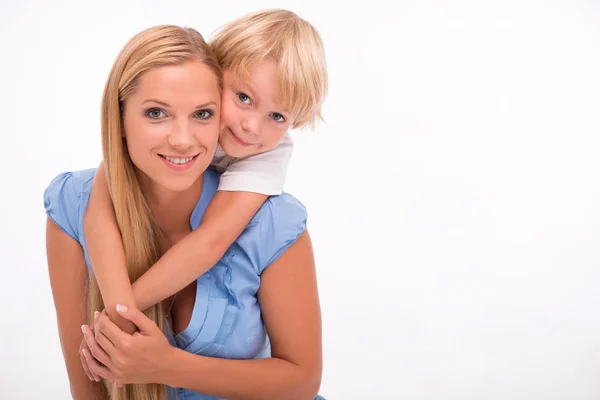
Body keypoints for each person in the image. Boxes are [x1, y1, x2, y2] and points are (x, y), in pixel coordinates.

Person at [44, 23, 323, 400]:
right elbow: (98, 214)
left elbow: (210, 240)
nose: (250, 125)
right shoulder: (74, 200)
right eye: (156, 113)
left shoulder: (266, 181)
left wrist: (144, 343)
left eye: (202, 115)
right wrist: (119, 314)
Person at [82, 8, 328, 342]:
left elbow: (211, 239)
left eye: (278, 116)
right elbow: (101, 207)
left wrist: (125, 313)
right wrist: (117, 306)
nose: (252, 126)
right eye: (243, 98)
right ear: (215, 72)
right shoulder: (186, 118)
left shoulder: (268, 154)